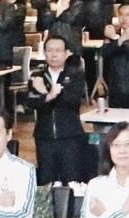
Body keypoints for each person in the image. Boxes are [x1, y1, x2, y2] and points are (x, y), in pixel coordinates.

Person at [21, 33, 90, 185]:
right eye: (49, 50)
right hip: (44, 136)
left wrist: (46, 93)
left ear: (67, 53)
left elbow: (72, 101)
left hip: (70, 135)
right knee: (46, 181)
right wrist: (47, 96)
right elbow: (30, 102)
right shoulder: (37, 76)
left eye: (58, 50)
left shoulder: (75, 75)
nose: (53, 54)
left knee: (72, 181)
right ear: (44, 53)